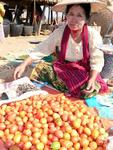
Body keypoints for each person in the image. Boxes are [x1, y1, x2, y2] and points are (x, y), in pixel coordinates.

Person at [14, 0, 108, 98]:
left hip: (84, 71)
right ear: (66, 15)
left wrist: (92, 79)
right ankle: (65, 86)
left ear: (86, 19)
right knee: (39, 68)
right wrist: (23, 64)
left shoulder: (93, 35)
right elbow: (43, 47)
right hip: (64, 68)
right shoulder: (60, 32)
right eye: (71, 14)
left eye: (79, 16)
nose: (73, 19)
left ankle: (67, 86)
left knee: (88, 88)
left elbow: (97, 60)